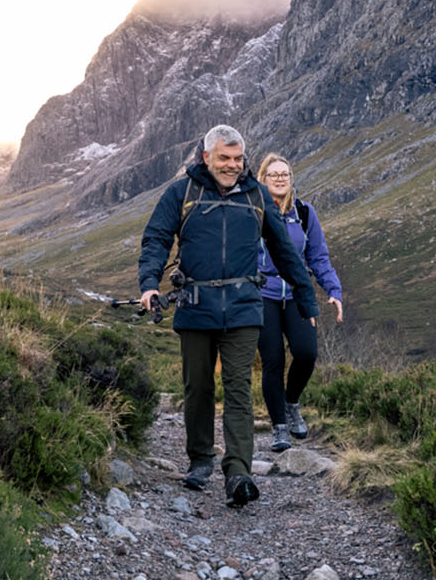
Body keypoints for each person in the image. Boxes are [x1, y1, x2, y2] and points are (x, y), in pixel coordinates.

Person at [139, 125, 319, 508]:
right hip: (195, 304)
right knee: (198, 387)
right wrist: (148, 284)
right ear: (206, 156)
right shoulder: (181, 193)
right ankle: (200, 459)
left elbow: (283, 249)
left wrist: (306, 297)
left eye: (238, 159)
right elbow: (156, 238)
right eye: (224, 158)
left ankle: (238, 472)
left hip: (243, 307)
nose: (232, 166)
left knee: (238, 389)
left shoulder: (255, 194)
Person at [253, 154, 343, 452]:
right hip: (262, 293)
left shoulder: (304, 213)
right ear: (262, 180)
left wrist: (333, 290)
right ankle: (279, 428)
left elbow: (318, 256)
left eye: (285, 174)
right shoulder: (252, 211)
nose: (280, 178)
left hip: (295, 292)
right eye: (273, 174)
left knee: (306, 353)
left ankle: (291, 403)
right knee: (273, 361)